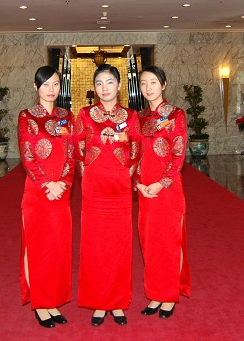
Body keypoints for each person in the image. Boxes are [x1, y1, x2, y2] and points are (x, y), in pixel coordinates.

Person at [74, 63, 142, 327]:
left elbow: (136, 148)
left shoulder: (131, 116)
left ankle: (118, 302)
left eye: (109, 82)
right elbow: (78, 147)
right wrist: (87, 174)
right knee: (95, 245)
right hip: (94, 188)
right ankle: (99, 303)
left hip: (119, 189)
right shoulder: (84, 114)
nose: (104, 88)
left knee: (119, 246)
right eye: (99, 83)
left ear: (119, 85)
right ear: (94, 87)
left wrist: (127, 174)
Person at [18, 66, 75, 329]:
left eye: (55, 84)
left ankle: (53, 301)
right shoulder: (27, 116)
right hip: (38, 192)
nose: (51, 90)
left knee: (58, 248)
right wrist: (47, 184)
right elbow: (27, 155)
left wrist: (63, 183)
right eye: (45, 85)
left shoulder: (66, 116)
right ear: (36, 87)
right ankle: (41, 304)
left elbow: (71, 154)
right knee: (39, 247)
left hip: (61, 192)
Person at [134, 65, 191, 319]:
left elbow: (178, 155)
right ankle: (155, 294)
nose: (148, 88)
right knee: (149, 243)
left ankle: (168, 296)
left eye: (153, 82)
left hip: (167, 189)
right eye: (144, 83)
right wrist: (138, 182)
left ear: (164, 85)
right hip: (145, 190)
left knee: (168, 242)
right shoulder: (139, 117)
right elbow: (133, 154)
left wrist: (161, 183)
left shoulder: (176, 115)